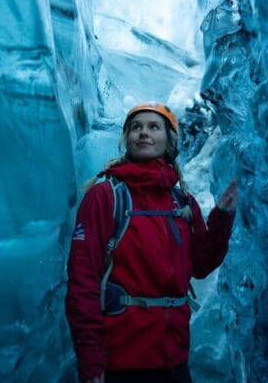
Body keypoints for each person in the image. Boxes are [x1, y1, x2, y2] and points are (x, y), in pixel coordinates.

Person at [65, 102, 237, 382]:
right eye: (136, 127)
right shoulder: (105, 196)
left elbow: (201, 265)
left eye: (153, 127)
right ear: (127, 140)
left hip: (175, 358)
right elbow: (82, 281)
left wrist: (223, 216)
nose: (143, 133)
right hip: (122, 361)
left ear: (169, 141)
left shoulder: (182, 201)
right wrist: (91, 360)